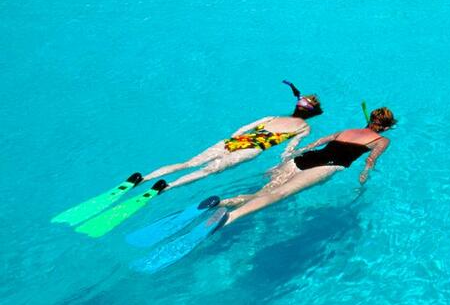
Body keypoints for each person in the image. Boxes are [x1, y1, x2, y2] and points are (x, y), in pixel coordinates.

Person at [219, 107, 396, 225]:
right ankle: (230, 217)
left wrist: (292, 155)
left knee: (262, 192)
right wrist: (363, 179)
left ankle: (222, 202)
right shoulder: (382, 140)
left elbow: (316, 143)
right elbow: (370, 161)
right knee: (280, 193)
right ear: (386, 128)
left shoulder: (347, 131)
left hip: (302, 159)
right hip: (326, 166)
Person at [142, 80, 322, 189]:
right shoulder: (303, 128)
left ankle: (144, 178)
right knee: (207, 170)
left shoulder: (272, 117)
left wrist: (232, 140)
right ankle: (168, 186)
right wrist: (281, 164)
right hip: (251, 149)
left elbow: (242, 129)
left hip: (233, 142)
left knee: (188, 163)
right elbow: (289, 149)